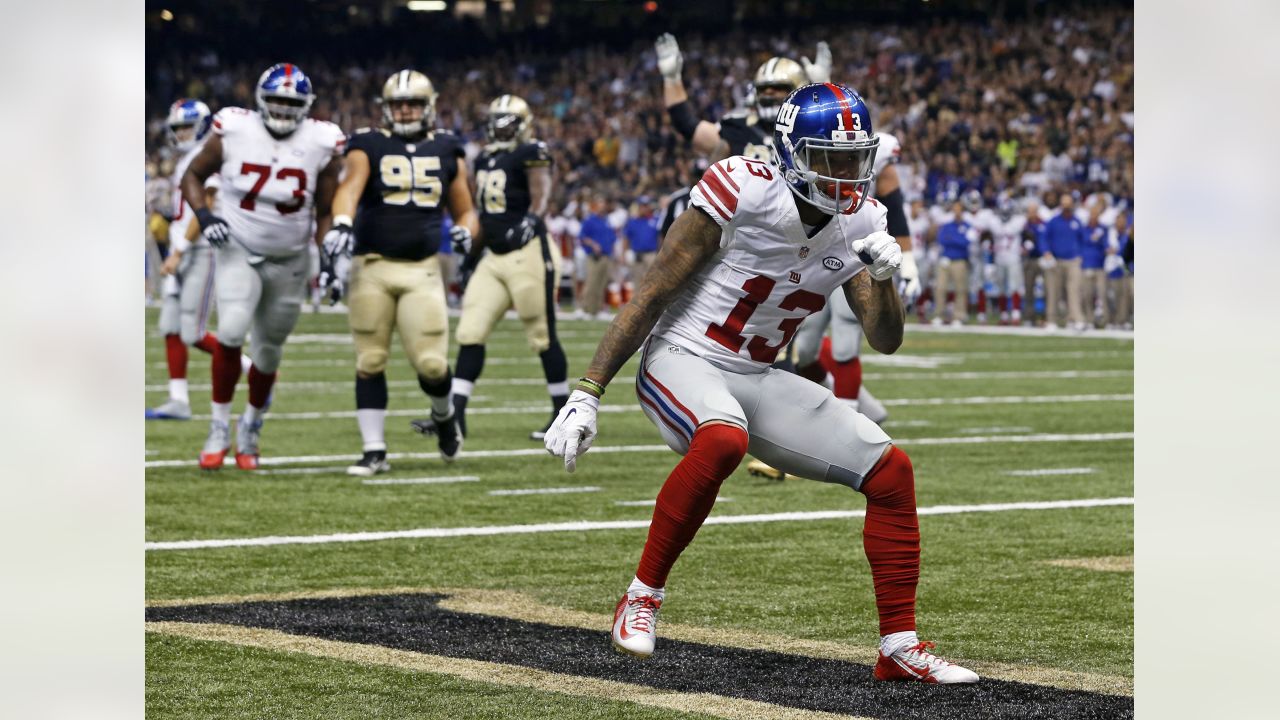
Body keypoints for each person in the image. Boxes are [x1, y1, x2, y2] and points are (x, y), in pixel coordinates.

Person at [543, 83, 978, 684]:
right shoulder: (740, 189)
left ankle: (898, 647)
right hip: (682, 356)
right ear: (791, 153)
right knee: (722, 439)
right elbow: (653, 292)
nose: (846, 173)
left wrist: (883, 280)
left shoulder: (862, 222)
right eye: (830, 157)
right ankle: (641, 597)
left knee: (891, 470)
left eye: (856, 157)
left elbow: (885, 339)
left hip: (755, 372)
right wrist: (588, 391)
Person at [182, 63, 344, 470]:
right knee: (233, 329)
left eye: (292, 103)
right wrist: (206, 218)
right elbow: (194, 175)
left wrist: (326, 258)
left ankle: (251, 426)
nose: (284, 109)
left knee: (269, 351)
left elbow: (325, 209)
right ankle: (219, 426)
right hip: (238, 245)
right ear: (260, 99)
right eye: (276, 100)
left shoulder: (322, 141)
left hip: (290, 257)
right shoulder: (235, 128)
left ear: (306, 106)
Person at [321, 70, 477, 476]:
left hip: (422, 269)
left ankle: (444, 418)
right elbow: (350, 186)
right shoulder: (367, 143)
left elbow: (465, 209)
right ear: (386, 108)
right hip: (370, 267)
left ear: (429, 106)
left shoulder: (447, 147)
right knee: (370, 358)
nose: (404, 110)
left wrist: (465, 231)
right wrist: (341, 220)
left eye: (412, 103)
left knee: (431, 365)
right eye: (397, 104)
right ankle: (374, 450)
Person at [443, 94, 568, 442]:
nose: (499, 127)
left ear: (522, 124)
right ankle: (456, 413)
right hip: (494, 256)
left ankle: (561, 410)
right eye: (495, 120)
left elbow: (542, 192)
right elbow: (484, 216)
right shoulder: (483, 158)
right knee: (471, 329)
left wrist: (533, 218)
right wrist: (471, 256)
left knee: (541, 335)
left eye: (507, 121)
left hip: (528, 252)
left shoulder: (531, 152)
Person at [147, 98, 241, 420]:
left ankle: (257, 371)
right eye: (178, 128)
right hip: (182, 248)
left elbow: (205, 209)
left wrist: (177, 251)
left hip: (199, 248)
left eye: (187, 126)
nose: (182, 133)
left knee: (193, 331)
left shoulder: (208, 157)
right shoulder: (185, 158)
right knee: (170, 326)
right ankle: (178, 400)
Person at [655, 33, 828, 163]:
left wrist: (825, 89)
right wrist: (672, 80)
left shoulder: (816, 128)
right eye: (763, 89)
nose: (769, 93)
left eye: (778, 88)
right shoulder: (739, 128)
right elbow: (687, 126)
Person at [1040, 193, 1087, 330]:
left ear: (1072, 205)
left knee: (1074, 291)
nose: (1066, 206)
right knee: (1053, 291)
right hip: (1056, 260)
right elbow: (1044, 238)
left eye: (1068, 203)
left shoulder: (1076, 221)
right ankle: (1051, 320)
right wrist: (1046, 252)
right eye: (1064, 203)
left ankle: (1076, 319)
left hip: (1073, 261)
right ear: (1061, 205)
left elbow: (1083, 240)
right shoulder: (1053, 221)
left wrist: (1081, 255)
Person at [932, 202, 974, 326]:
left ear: (962, 211)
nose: (956, 212)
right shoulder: (947, 225)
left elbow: (966, 242)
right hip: (945, 260)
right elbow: (942, 239)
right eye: (954, 209)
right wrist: (957, 238)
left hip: (960, 260)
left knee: (960, 289)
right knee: (940, 288)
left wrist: (953, 238)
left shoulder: (968, 226)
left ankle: (959, 316)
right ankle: (939, 315)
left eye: (958, 209)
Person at [578, 195, 616, 319]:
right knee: (591, 282)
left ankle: (596, 310)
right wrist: (593, 245)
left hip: (606, 256)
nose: (602, 207)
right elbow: (582, 237)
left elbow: (612, 238)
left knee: (602, 283)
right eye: (600, 204)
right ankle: (586, 309)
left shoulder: (607, 220)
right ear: (595, 206)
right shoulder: (590, 220)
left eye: (604, 204)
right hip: (594, 257)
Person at [623, 196, 660, 288]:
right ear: (639, 207)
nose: (644, 208)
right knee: (637, 281)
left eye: (646, 206)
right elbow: (626, 238)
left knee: (652, 281)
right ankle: (637, 302)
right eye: (642, 206)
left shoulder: (655, 220)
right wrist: (623, 254)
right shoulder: (632, 221)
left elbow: (660, 237)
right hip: (636, 255)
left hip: (651, 254)